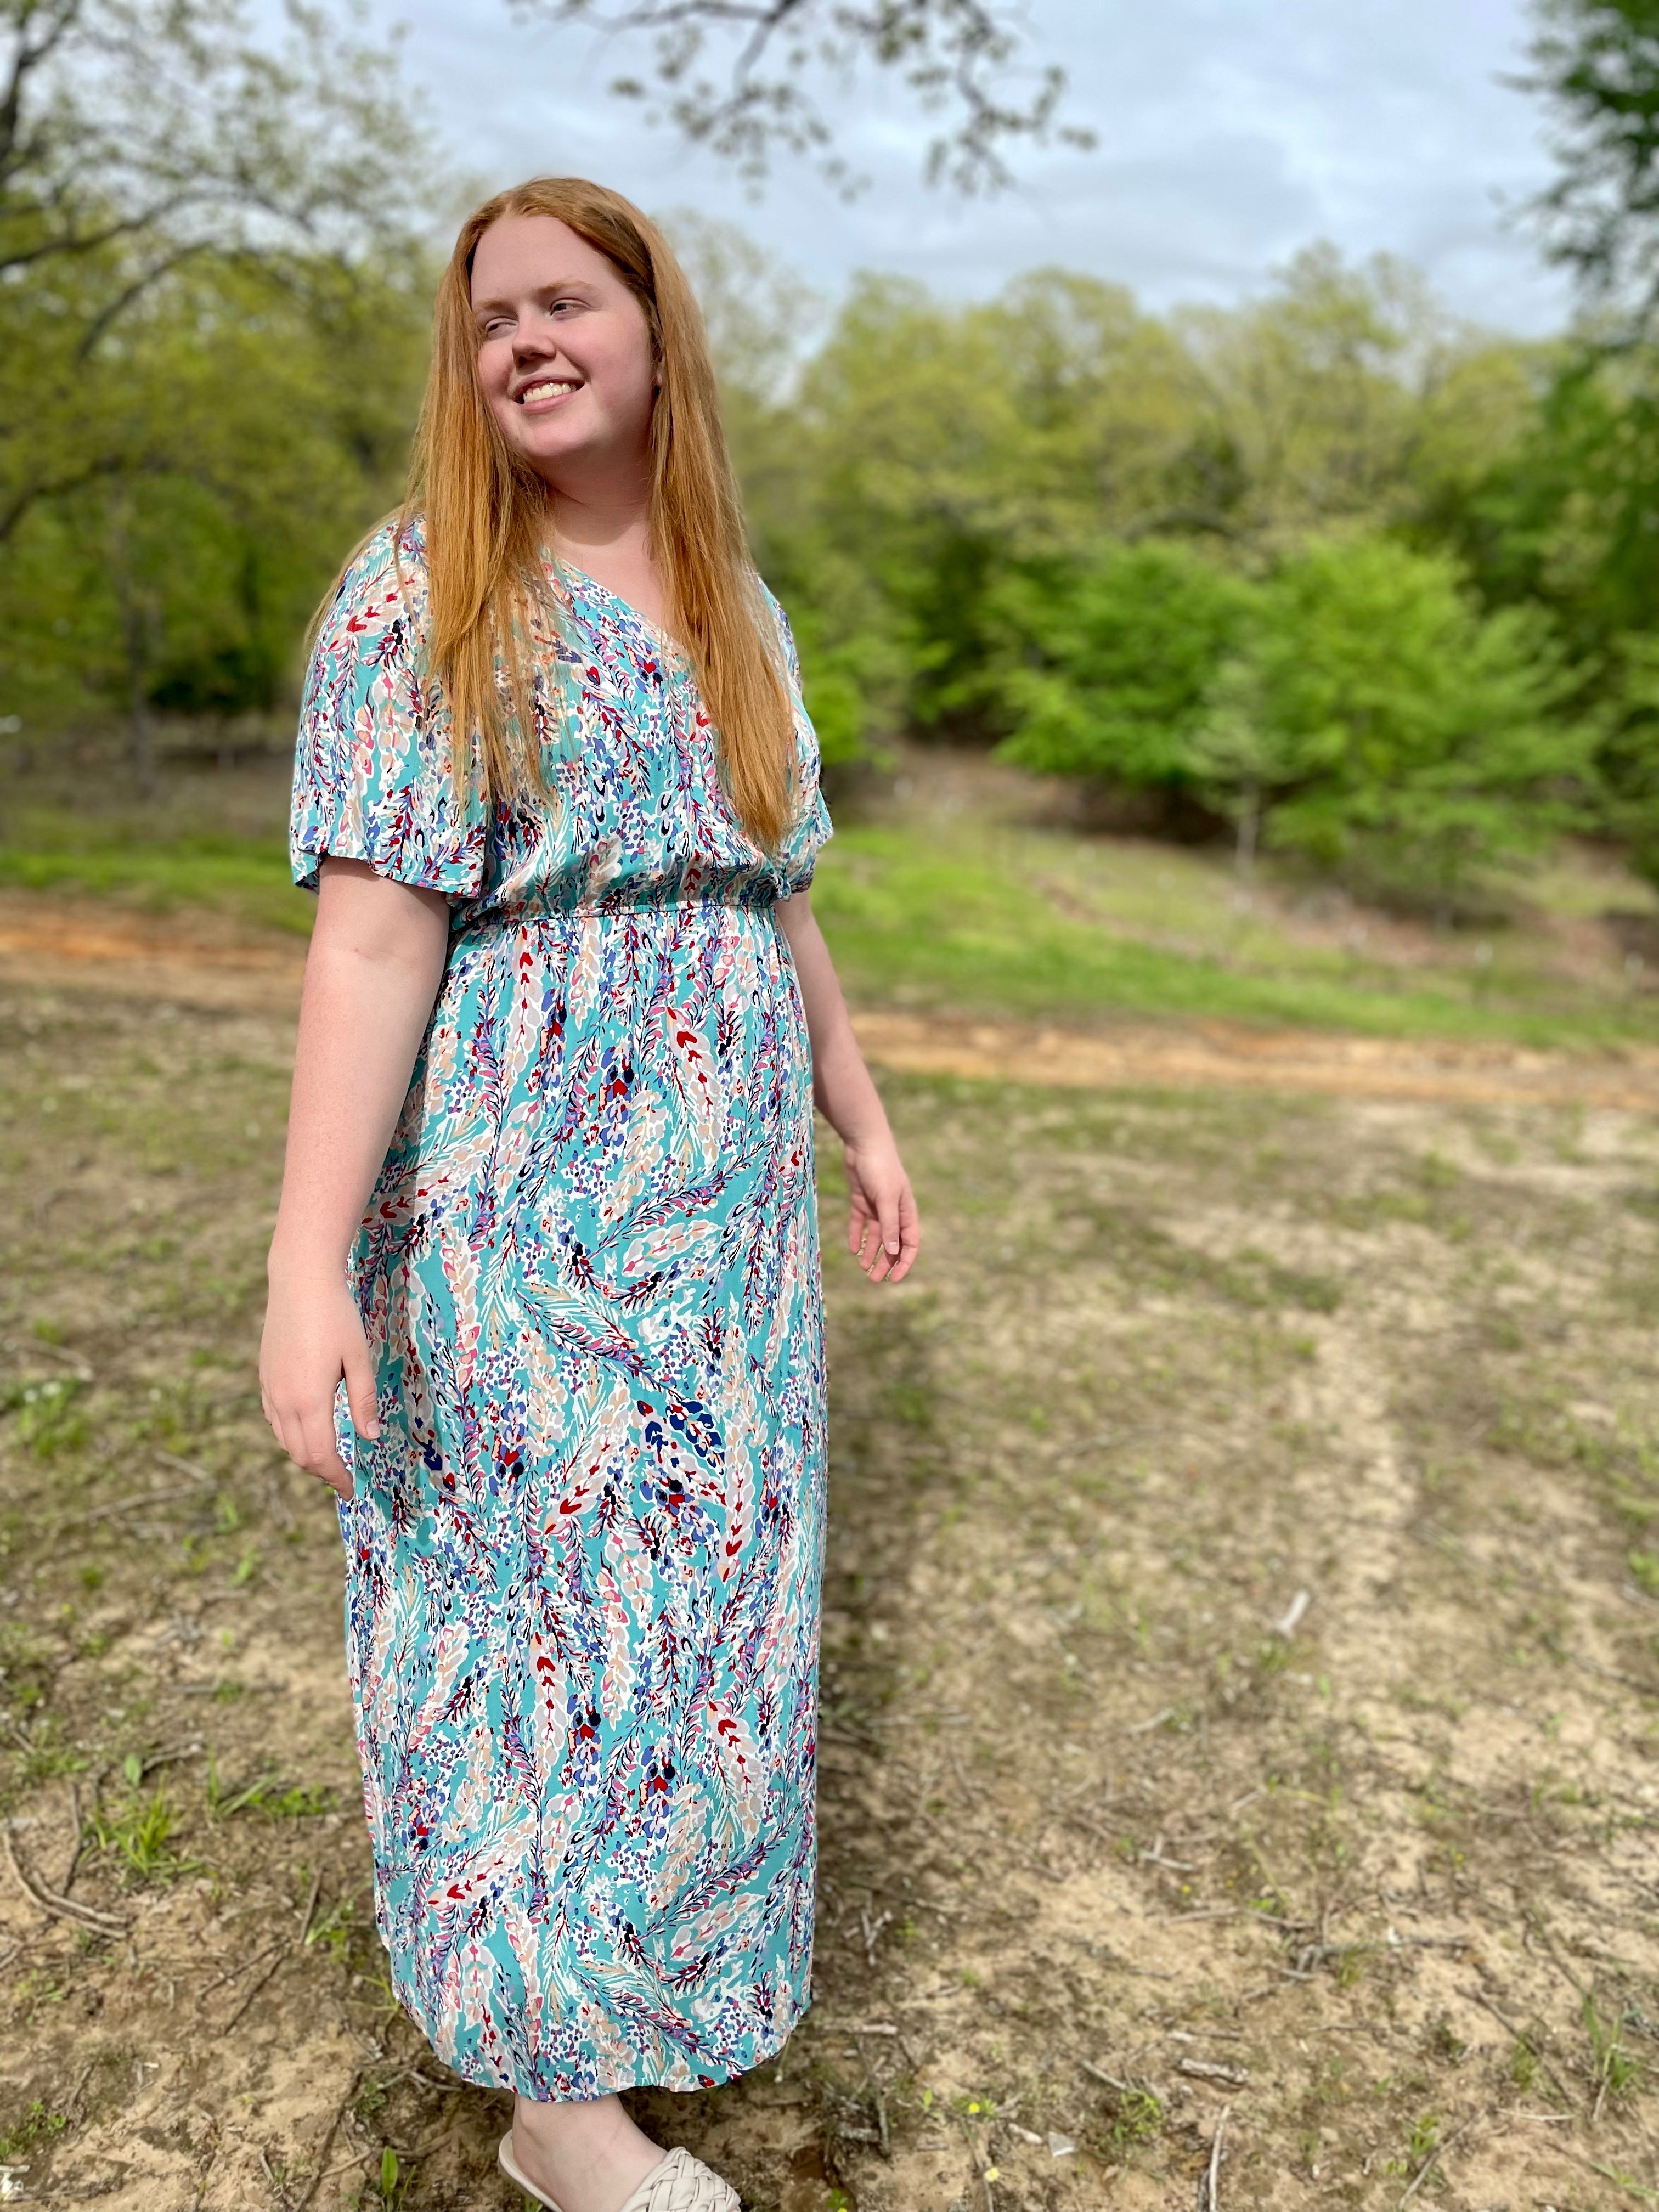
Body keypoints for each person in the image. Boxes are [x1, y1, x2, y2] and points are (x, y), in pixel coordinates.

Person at [258, 177, 921, 2212]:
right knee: (530, 1625)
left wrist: (862, 1114)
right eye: (489, 322)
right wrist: (304, 1267)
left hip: (722, 1224)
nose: (525, 342)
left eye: (564, 303)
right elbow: (372, 945)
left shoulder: (738, 602)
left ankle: (639, 2003)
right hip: (518, 1206)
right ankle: (559, 2107)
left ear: (651, 333)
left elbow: (775, 890)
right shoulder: (429, 592)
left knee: (698, 1621)